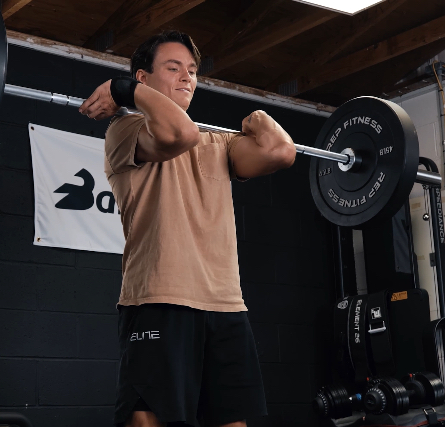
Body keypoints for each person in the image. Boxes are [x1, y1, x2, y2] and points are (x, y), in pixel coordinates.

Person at [79, 30, 296, 427]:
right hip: (161, 298)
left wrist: (257, 118)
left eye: (193, 71)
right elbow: (178, 134)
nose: (187, 78)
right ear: (143, 79)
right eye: (174, 68)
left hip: (226, 303)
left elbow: (280, 151)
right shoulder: (125, 131)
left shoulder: (220, 144)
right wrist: (121, 90)